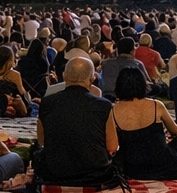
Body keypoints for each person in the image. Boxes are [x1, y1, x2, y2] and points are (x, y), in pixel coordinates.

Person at [34, 57, 119, 186]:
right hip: (96, 173)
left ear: (64, 76)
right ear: (92, 78)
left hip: (54, 173)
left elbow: (42, 140)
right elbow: (112, 146)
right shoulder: (104, 105)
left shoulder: (47, 102)